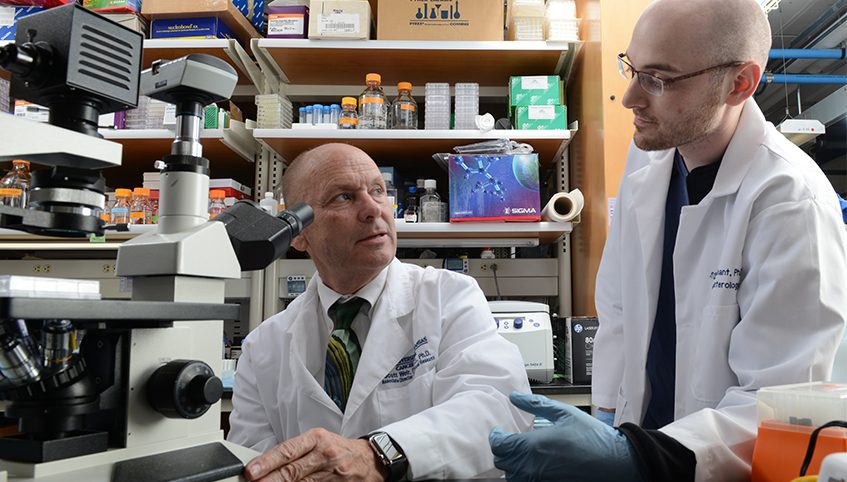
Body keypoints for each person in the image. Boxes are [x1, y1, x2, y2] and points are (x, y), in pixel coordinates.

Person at [488, 0, 847, 481]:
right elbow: (617, 308)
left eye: (657, 79)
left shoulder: (791, 202)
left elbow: (782, 404)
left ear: (739, 83)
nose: (631, 97)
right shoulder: (650, 161)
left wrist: (636, 457)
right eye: (631, 68)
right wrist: (608, 420)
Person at [227, 143, 534, 482]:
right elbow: (255, 462)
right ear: (299, 235)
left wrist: (379, 455)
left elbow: (498, 411)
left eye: (378, 190)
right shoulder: (262, 349)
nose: (374, 209)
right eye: (343, 197)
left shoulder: (449, 297)